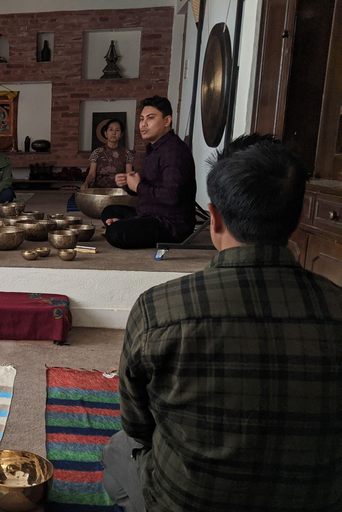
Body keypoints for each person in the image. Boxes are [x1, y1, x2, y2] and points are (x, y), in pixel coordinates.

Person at [100, 134, 342, 512]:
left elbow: (137, 425)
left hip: (188, 500)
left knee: (117, 450)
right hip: (311, 499)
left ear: (213, 218)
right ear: (294, 220)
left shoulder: (158, 309)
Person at [102, 96, 196, 249]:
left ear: (167, 121)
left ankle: (127, 226)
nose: (143, 124)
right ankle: (131, 224)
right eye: (141, 119)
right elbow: (147, 189)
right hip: (149, 212)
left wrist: (138, 187)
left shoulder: (174, 151)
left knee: (115, 233)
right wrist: (128, 184)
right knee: (109, 210)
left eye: (150, 118)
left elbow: (172, 196)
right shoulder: (153, 149)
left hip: (170, 224)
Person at [82, 118, 134, 189]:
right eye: (111, 130)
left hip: (119, 192)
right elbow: (91, 174)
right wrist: (86, 183)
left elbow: (129, 175)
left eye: (117, 130)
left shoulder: (126, 153)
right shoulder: (97, 152)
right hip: (99, 191)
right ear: (106, 134)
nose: (113, 133)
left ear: (121, 134)